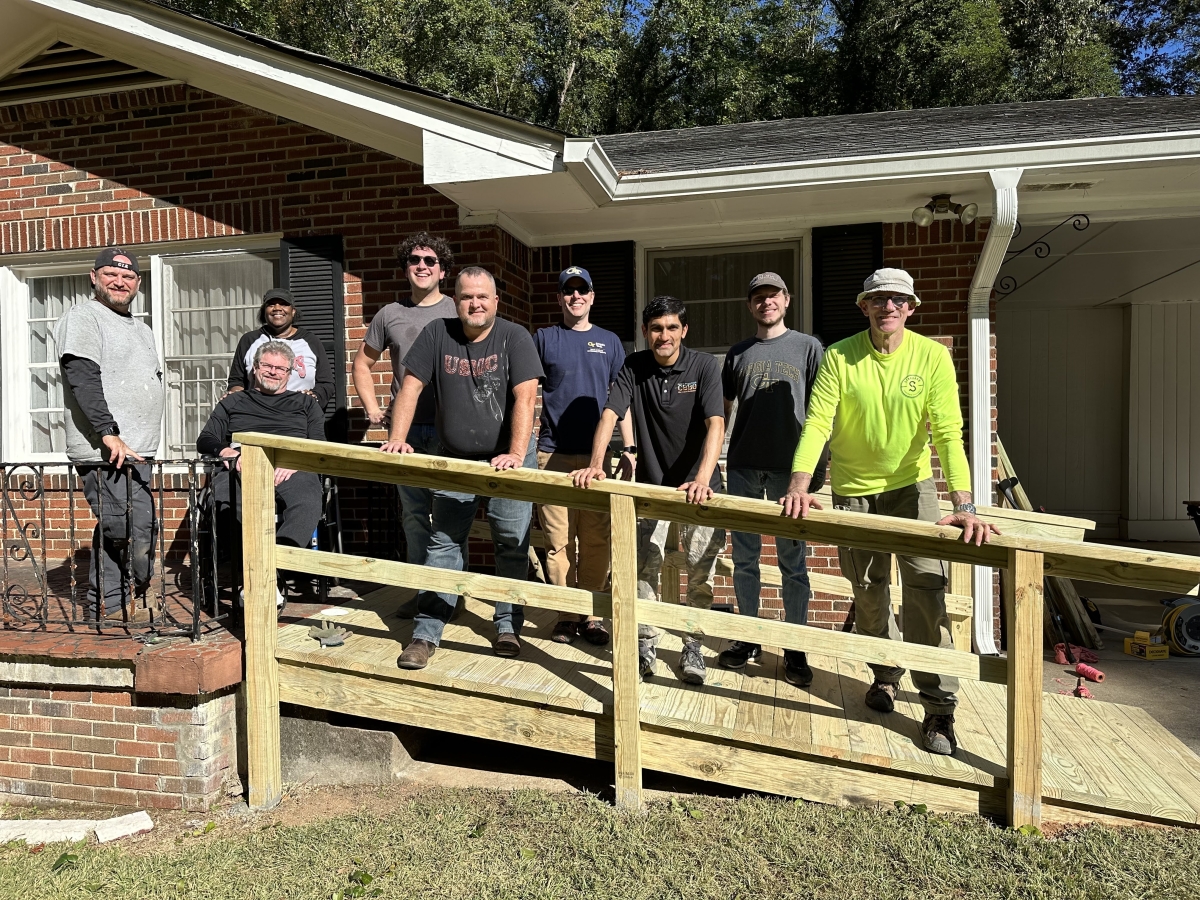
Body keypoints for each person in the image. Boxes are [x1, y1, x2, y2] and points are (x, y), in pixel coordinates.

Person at [782, 267, 999, 756]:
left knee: (926, 589)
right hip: (853, 490)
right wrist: (800, 485)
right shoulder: (839, 356)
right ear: (864, 306)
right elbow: (817, 423)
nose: (888, 308)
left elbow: (948, 433)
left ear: (911, 308)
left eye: (898, 300)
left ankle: (939, 709)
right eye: (878, 299)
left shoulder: (933, 356)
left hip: (912, 488)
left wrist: (965, 505)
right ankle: (884, 673)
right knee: (868, 592)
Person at [382, 267, 543, 669]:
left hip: (509, 456)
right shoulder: (438, 333)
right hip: (455, 456)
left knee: (510, 539)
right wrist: (398, 438)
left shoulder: (515, 336)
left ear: (495, 302)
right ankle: (426, 632)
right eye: (468, 297)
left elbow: (526, 399)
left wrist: (515, 452)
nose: (475, 303)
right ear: (456, 301)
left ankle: (507, 623)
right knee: (444, 541)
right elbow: (411, 386)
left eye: (483, 297)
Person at [573, 296, 725, 686]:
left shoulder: (705, 366)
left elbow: (715, 424)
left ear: (684, 331)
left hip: (699, 485)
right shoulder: (633, 366)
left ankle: (693, 645)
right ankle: (646, 643)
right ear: (645, 332)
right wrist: (595, 464)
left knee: (699, 573)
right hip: (651, 486)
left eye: (672, 327)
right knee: (644, 568)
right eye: (656, 328)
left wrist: (704, 478)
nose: (664, 336)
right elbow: (610, 413)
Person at [719, 272, 825, 686]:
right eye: (758, 297)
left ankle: (794, 646)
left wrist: (813, 470)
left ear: (787, 299)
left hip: (788, 469)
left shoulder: (808, 347)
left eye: (774, 295)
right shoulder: (738, 352)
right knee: (744, 558)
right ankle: (749, 638)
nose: (767, 302)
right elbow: (723, 410)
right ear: (751, 305)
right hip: (744, 463)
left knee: (792, 562)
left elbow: (821, 410)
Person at [55, 248, 164, 622]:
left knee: (138, 524)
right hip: (105, 451)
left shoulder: (141, 328)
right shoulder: (83, 317)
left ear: (137, 283)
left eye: (128, 276)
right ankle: (113, 602)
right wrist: (108, 432)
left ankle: (117, 599)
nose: (120, 282)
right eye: (110, 275)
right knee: (122, 525)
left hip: (139, 450)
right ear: (93, 277)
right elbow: (82, 377)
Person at [535, 265, 634, 647]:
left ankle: (592, 615)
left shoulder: (609, 342)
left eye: (582, 290)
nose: (575, 296)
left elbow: (622, 398)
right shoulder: (544, 338)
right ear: (560, 297)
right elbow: (527, 393)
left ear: (592, 296)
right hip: (553, 454)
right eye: (568, 291)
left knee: (596, 539)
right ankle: (565, 614)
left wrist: (629, 448)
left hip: (598, 460)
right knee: (559, 542)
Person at [351, 232, 457, 566]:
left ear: (443, 271)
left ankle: (448, 595)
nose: (421, 266)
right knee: (413, 514)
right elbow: (361, 364)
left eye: (430, 260)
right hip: (405, 432)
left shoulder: (458, 310)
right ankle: (420, 594)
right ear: (405, 268)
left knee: (450, 516)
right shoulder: (389, 314)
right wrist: (372, 408)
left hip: (450, 430)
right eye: (414, 259)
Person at [198, 341, 326, 609]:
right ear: (255, 368)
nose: (273, 372)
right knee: (226, 505)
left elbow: (318, 444)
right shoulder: (232, 402)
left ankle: (270, 574)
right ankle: (258, 574)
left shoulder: (306, 404)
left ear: (289, 373)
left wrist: (296, 461)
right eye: (267, 365)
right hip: (242, 465)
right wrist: (229, 453)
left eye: (280, 368)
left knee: (307, 503)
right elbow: (206, 438)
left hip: (292, 467)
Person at [226, 288, 335, 409]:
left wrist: (314, 396)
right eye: (271, 304)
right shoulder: (249, 340)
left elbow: (326, 384)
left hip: (299, 415)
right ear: (264, 311)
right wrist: (236, 396)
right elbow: (236, 380)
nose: (277, 308)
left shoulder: (310, 341)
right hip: (257, 414)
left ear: (293, 311)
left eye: (283, 304)